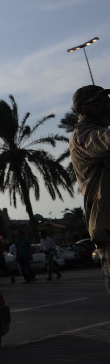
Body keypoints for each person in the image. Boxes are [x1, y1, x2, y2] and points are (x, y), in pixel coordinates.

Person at [68, 84, 110, 294]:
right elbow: (106, 141)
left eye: (106, 101)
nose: (106, 106)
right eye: (99, 103)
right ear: (81, 110)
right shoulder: (82, 137)